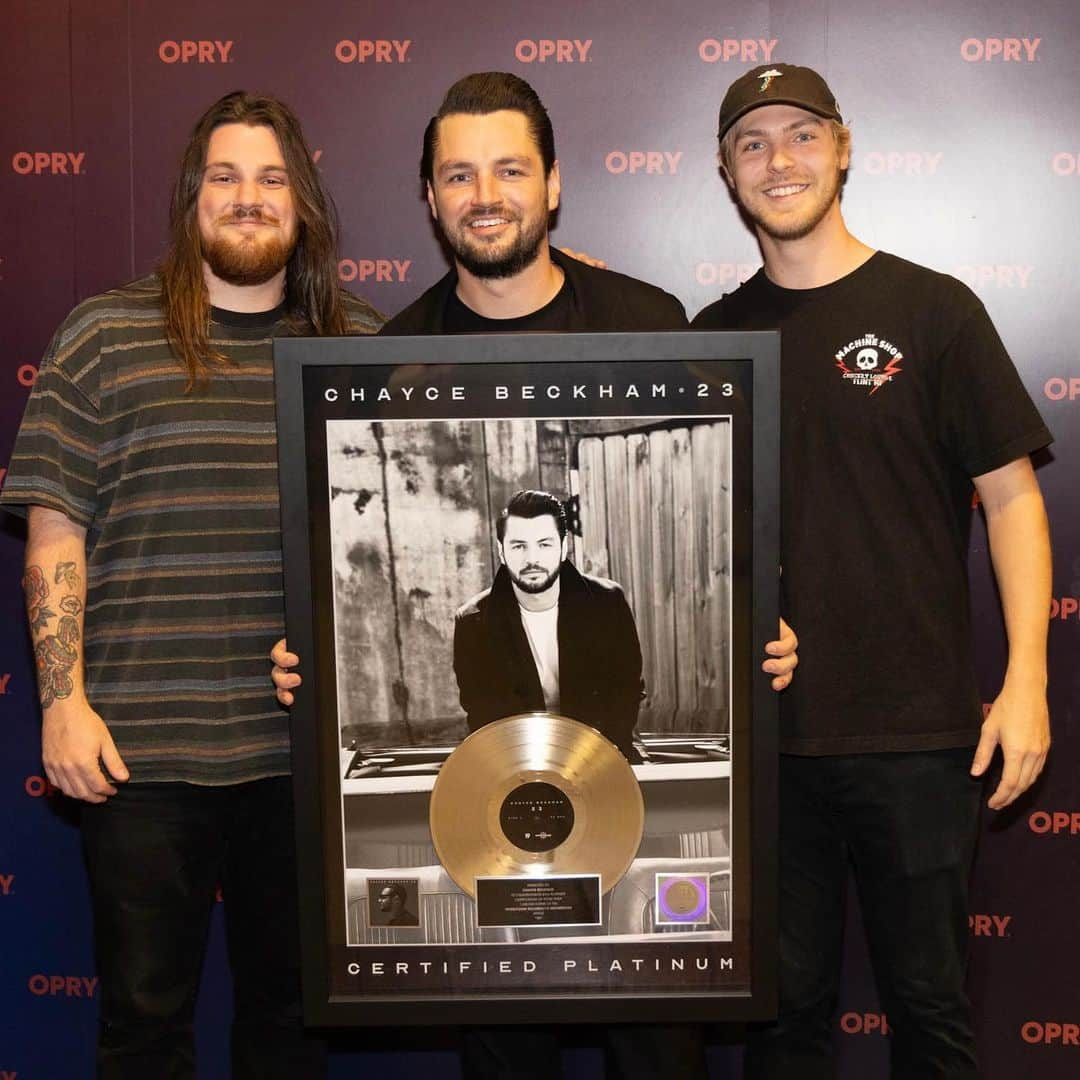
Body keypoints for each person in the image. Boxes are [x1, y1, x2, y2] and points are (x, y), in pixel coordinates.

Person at [273, 70, 798, 1080]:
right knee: (502, 1037)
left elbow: (739, 506)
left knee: (660, 1038)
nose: (486, 194)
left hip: (622, 797)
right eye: (458, 174)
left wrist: (757, 624)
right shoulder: (394, 359)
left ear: (553, 184)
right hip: (496, 809)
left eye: (510, 168)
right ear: (429, 198)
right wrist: (312, 656)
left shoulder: (650, 321)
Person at [0, 91, 383, 1077]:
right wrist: (62, 700)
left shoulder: (359, 347)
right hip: (137, 755)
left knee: (294, 1023)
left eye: (270, 178)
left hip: (311, 759)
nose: (247, 198)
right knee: (142, 1025)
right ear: (191, 197)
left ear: (303, 203)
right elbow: (52, 538)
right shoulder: (102, 335)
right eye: (224, 177)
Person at [692, 63, 1052, 1078]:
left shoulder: (936, 311)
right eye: (753, 143)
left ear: (843, 148)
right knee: (784, 1022)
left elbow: (1015, 499)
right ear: (726, 172)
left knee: (930, 1011)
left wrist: (1025, 681)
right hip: (764, 747)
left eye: (802, 134)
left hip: (919, 737)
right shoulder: (709, 340)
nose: (780, 159)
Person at [454, 488, 645, 759]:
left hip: (601, 754)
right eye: (519, 546)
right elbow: (485, 716)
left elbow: (625, 696)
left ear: (563, 547)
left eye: (544, 544)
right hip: (517, 761)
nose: (532, 559)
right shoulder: (474, 621)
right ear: (501, 551)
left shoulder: (607, 603)